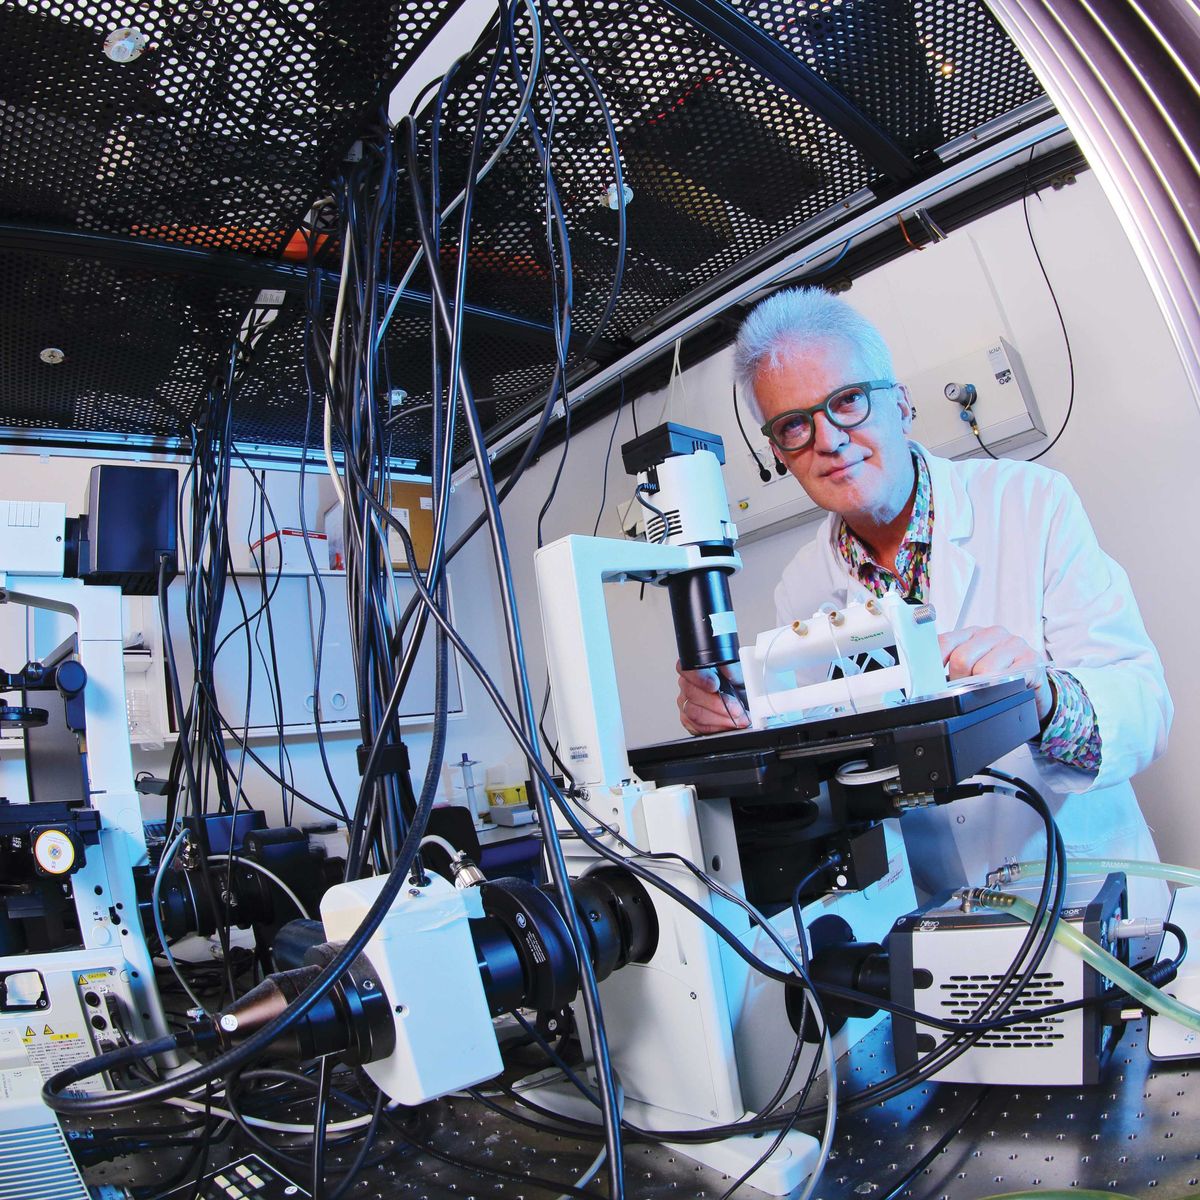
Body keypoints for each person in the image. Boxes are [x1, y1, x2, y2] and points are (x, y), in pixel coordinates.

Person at [676, 286, 1172, 913]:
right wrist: (737, 717)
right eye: (795, 424)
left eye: (847, 400)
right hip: (936, 928)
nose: (828, 439)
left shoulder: (1031, 502)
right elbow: (817, 767)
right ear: (780, 453)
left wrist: (1046, 697)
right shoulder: (801, 588)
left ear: (902, 405)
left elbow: (1146, 706)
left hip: (1089, 895)